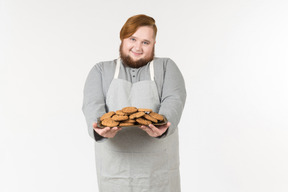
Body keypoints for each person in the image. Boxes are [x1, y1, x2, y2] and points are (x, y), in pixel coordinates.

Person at [82, 14, 186, 192]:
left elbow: (174, 99)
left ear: (154, 45)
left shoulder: (167, 67)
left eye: (146, 42)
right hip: (115, 170)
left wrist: (164, 125)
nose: (138, 47)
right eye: (133, 39)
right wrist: (99, 130)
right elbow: (92, 104)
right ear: (122, 39)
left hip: (158, 170)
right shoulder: (100, 70)